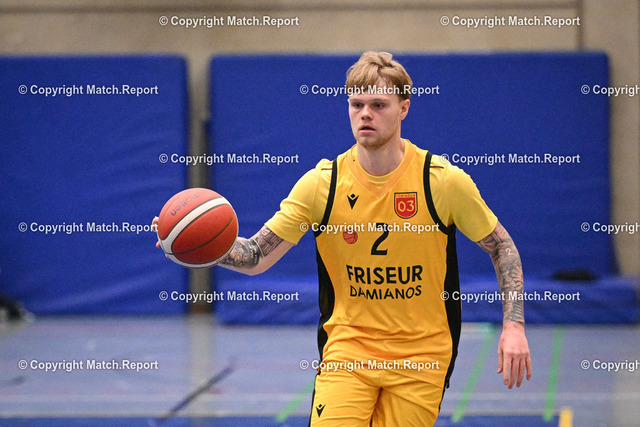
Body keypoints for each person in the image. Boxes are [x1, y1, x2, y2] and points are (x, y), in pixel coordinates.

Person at [159, 51, 532, 426]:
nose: (365, 113)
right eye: (357, 104)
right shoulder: (322, 185)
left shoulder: (442, 181)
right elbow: (256, 254)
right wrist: (193, 246)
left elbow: (502, 246)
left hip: (421, 355)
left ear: (404, 108)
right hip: (348, 351)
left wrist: (514, 326)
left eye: (378, 105)